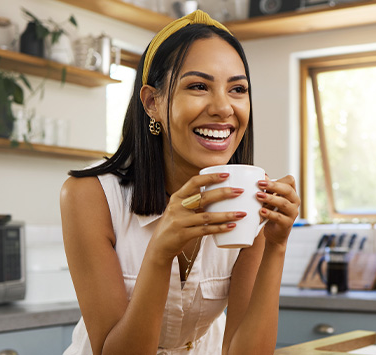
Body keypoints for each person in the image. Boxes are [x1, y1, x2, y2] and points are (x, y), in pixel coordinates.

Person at [60, 10, 300, 355]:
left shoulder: (249, 201)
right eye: (199, 86)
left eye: (237, 89)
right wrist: (160, 251)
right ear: (152, 103)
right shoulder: (88, 196)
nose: (223, 108)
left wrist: (276, 246)